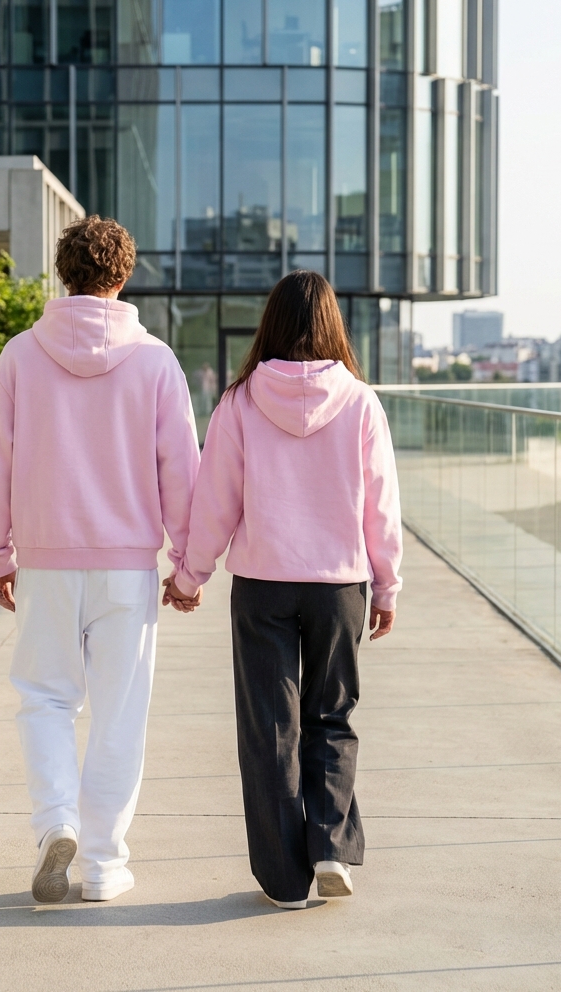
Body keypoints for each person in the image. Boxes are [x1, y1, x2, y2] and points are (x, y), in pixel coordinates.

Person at [0, 215, 201, 904]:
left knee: (44, 698)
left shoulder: (20, 355)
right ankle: (102, 866)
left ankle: (57, 824)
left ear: (62, 274)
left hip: (45, 561)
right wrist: (188, 565)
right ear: (123, 277)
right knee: (118, 713)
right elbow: (181, 469)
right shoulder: (156, 360)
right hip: (126, 568)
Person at [164, 270, 402, 910]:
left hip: (263, 585)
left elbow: (215, 502)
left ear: (270, 322)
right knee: (332, 716)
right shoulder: (360, 402)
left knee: (270, 727)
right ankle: (330, 848)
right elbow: (381, 504)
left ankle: (284, 880)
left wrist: (189, 576)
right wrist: (386, 586)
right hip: (340, 585)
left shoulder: (239, 402)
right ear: (332, 325)